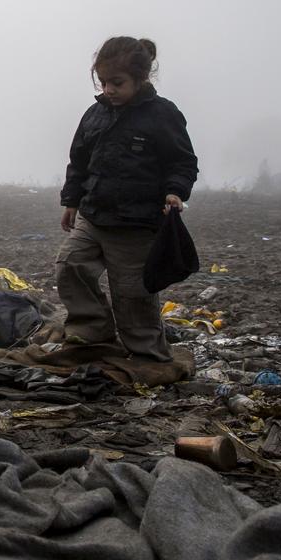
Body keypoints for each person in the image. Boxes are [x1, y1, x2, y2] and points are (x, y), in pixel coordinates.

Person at [56, 37, 199, 361]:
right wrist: (71, 201)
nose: (108, 89)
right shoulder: (95, 114)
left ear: (141, 78)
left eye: (117, 83)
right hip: (93, 216)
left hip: (137, 224)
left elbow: (182, 162)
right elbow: (78, 161)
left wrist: (175, 192)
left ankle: (148, 355)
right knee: (70, 267)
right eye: (103, 82)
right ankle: (91, 336)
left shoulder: (162, 115)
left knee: (133, 294)